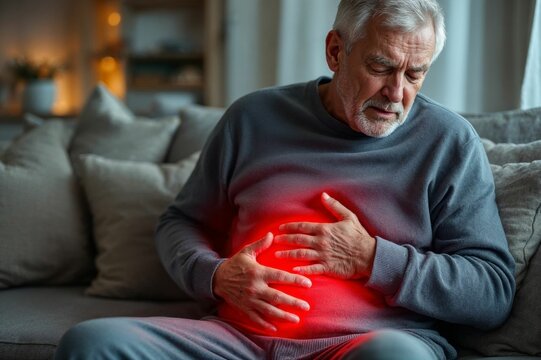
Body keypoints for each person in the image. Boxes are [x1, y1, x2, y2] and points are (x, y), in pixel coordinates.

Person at [55, 0, 515, 359]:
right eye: (381, 67)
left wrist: (374, 258)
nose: (398, 93)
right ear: (336, 50)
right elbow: (180, 222)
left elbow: (491, 290)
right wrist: (216, 276)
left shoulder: (448, 142)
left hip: (371, 342)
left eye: (416, 73)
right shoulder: (253, 119)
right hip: (236, 340)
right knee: (90, 344)